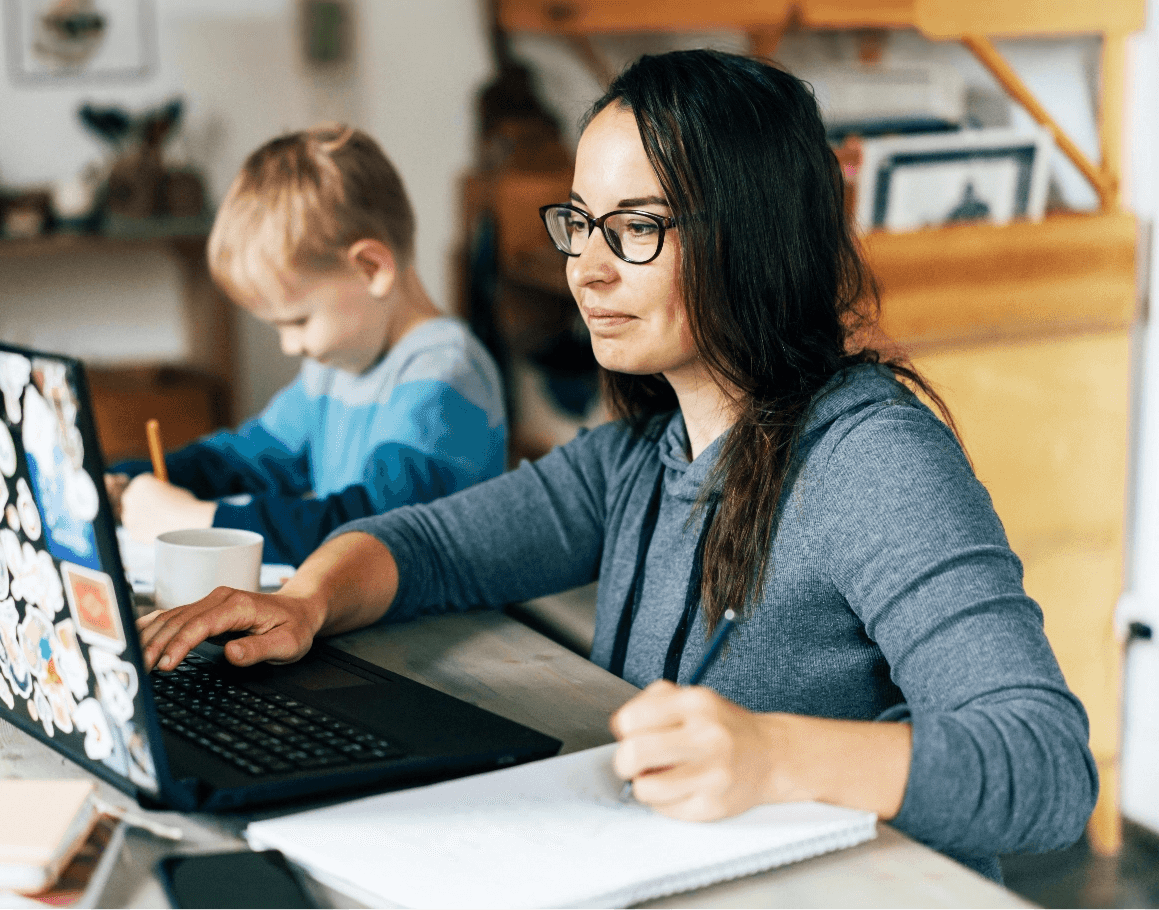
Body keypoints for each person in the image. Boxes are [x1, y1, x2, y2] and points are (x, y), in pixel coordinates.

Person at [131, 49, 1095, 881]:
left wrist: (774, 754)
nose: (586, 268)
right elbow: (428, 545)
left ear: (747, 238)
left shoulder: (872, 461)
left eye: (636, 228)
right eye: (581, 223)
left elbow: (1047, 767)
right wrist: (305, 602)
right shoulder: (641, 453)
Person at [106, 125, 508, 567]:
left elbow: (369, 527)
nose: (289, 346)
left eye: (298, 321)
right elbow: (246, 459)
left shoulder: (444, 376)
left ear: (371, 268)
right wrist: (128, 480)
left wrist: (201, 520)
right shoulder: (336, 367)